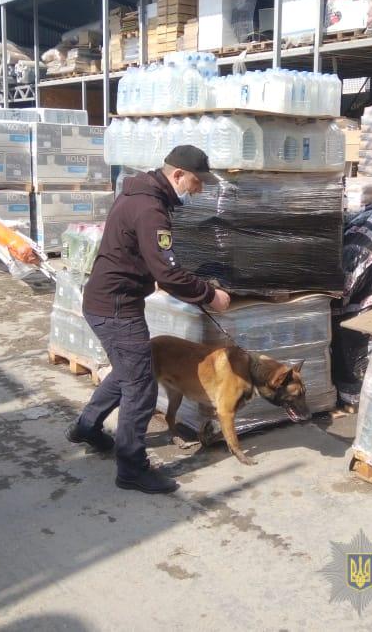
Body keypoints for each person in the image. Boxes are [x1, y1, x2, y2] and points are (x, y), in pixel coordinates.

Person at [67, 145, 231, 494]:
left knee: (129, 373)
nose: (199, 189)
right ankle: (131, 468)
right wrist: (209, 295)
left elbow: (152, 261)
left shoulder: (140, 195)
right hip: (116, 308)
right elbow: (168, 273)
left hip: (108, 301)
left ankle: (86, 426)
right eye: (197, 182)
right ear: (177, 175)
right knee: (141, 387)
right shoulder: (150, 209)